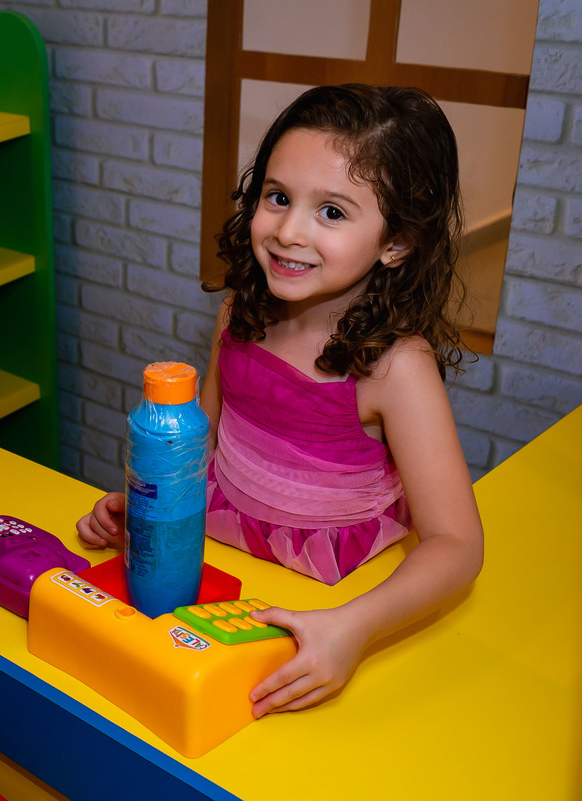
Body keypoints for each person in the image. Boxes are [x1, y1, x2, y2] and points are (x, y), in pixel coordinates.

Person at [76, 85, 484, 718]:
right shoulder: (238, 312)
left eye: (333, 213)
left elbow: (457, 543)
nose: (289, 231)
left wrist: (354, 628)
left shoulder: (398, 367)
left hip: (336, 592)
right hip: (218, 547)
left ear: (397, 241)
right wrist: (153, 511)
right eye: (279, 197)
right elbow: (201, 444)